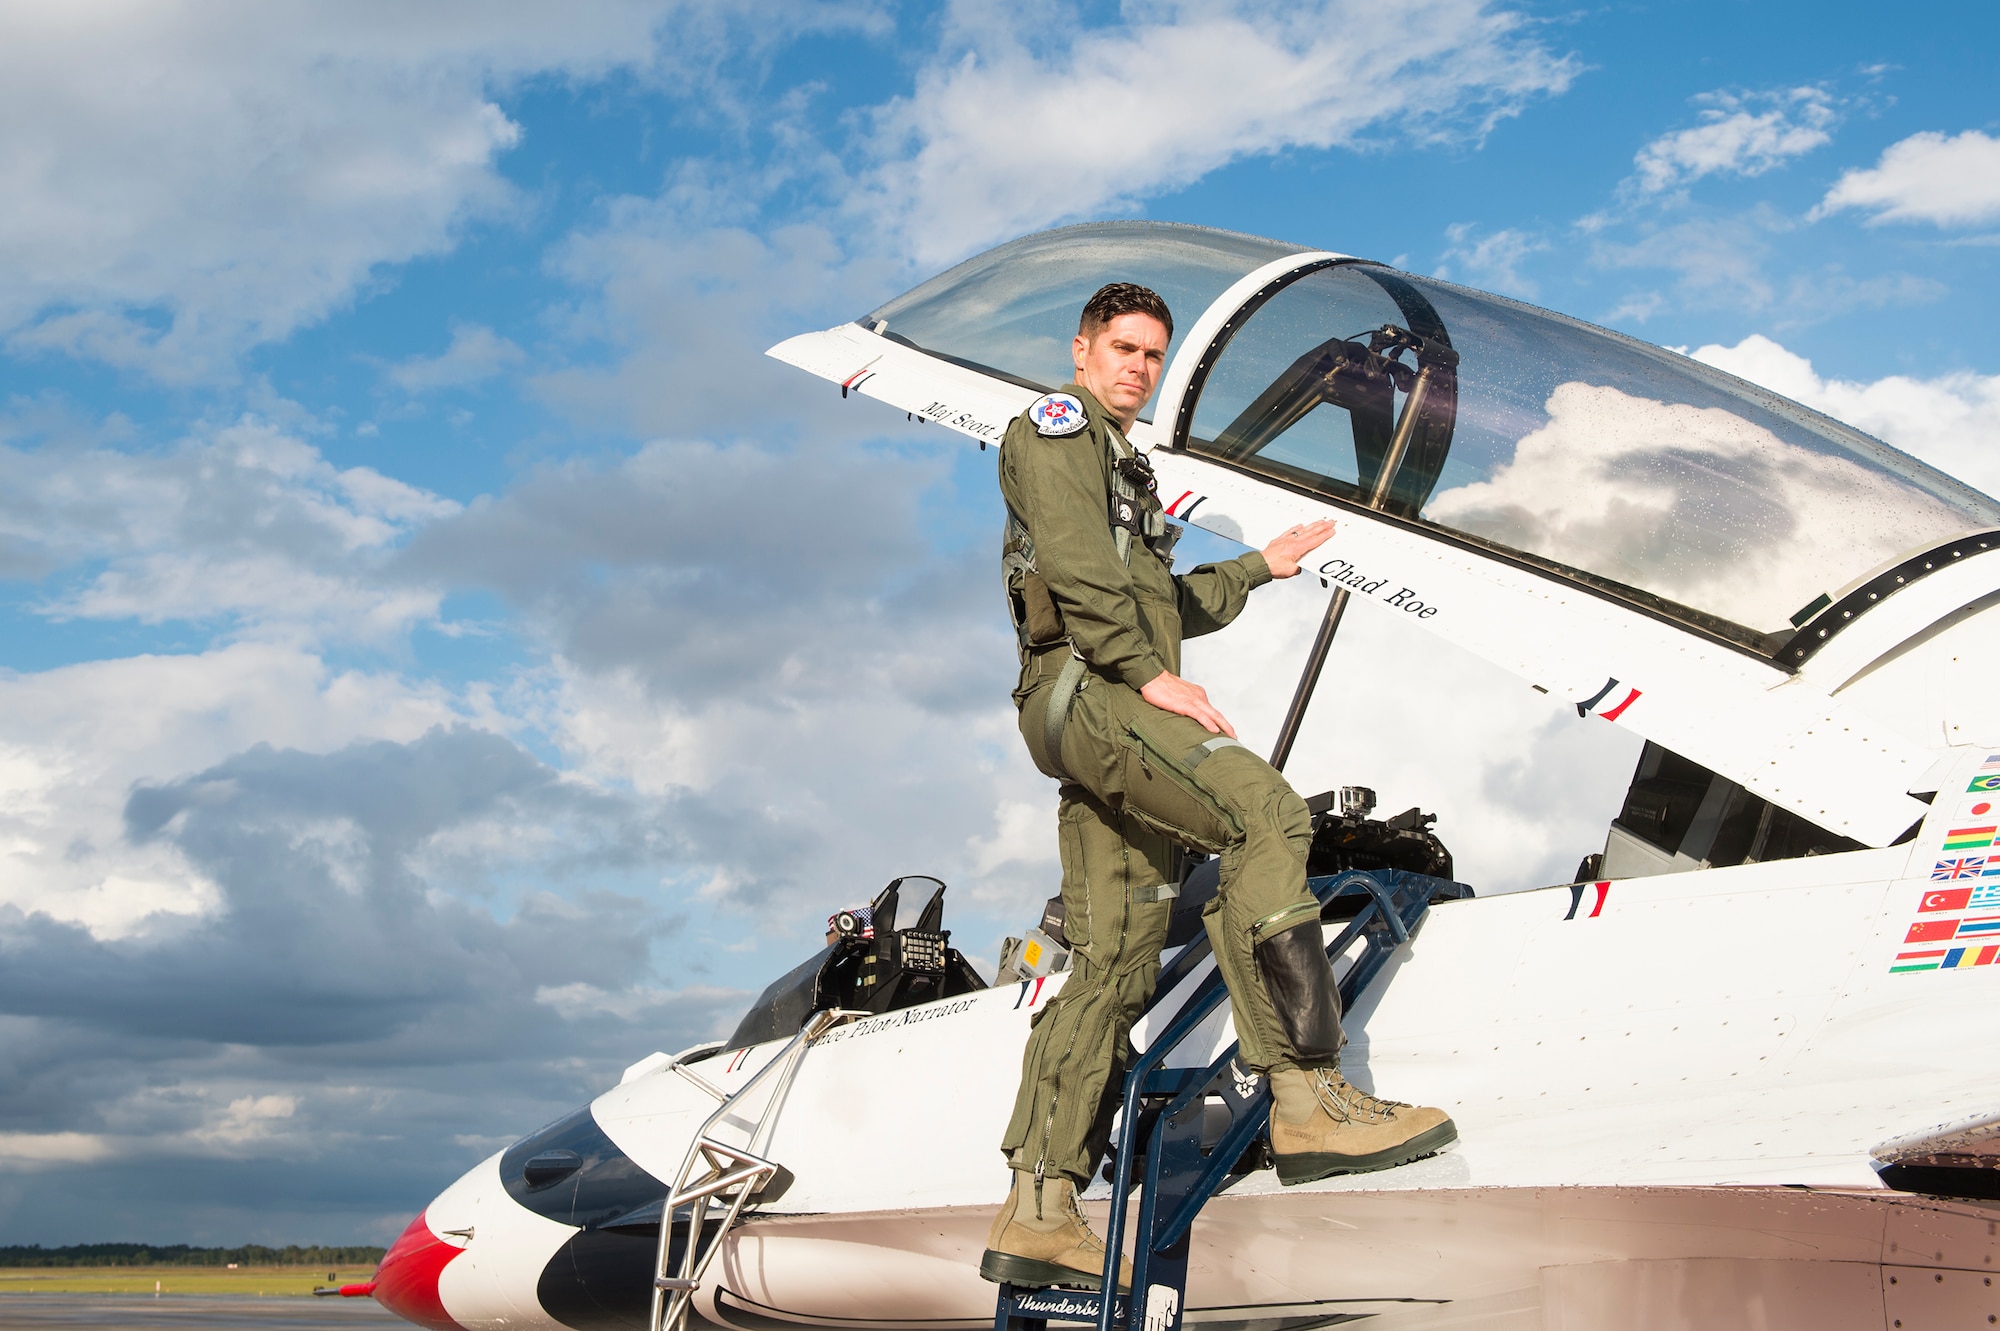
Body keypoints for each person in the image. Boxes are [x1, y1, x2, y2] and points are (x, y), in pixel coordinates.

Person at [980, 283, 1456, 1292]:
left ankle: (1038, 1209)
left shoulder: (1123, 471)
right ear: (1078, 353)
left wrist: (1259, 568)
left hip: (1096, 699)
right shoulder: (1054, 429)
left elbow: (1162, 600)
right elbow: (1075, 572)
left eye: (1151, 354)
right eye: (1120, 348)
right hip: (1096, 692)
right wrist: (1149, 675)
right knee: (1269, 815)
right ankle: (1305, 1093)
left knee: (1113, 958)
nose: (1136, 368)